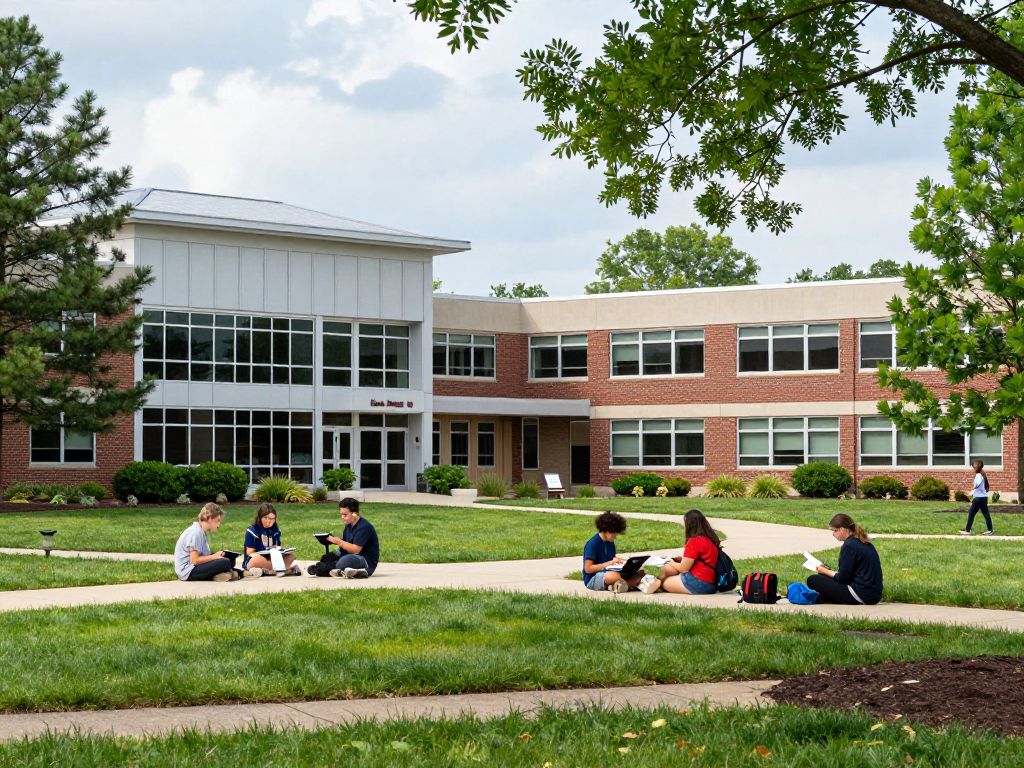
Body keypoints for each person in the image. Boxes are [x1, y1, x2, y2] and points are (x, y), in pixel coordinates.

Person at [806, 513, 883, 605]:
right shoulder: (862, 542)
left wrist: (824, 571)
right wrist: (828, 571)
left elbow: (843, 579)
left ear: (842, 529)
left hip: (861, 595)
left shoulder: (849, 546)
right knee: (825, 577)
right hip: (874, 595)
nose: (833, 534)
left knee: (813, 579)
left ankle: (825, 597)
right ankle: (826, 597)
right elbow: (850, 574)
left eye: (834, 530)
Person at [641, 508, 719, 595]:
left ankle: (649, 584)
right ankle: (651, 583)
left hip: (699, 583)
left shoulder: (695, 541)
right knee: (668, 570)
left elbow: (684, 568)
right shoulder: (709, 539)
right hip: (711, 582)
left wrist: (669, 561)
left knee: (664, 582)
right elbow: (698, 561)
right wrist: (679, 560)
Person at [582, 511, 645, 594]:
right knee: (614, 576)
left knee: (641, 572)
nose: (616, 536)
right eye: (614, 533)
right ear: (606, 530)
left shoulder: (610, 543)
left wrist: (626, 562)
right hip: (593, 578)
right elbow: (588, 569)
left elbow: (612, 558)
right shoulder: (593, 544)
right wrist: (610, 563)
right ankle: (632, 584)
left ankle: (619, 585)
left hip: (610, 572)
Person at [174, 502, 238, 582]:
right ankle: (222, 575)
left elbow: (204, 555)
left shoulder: (201, 531)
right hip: (188, 571)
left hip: (195, 567)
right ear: (210, 518)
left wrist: (218, 554)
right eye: (218, 520)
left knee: (229, 559)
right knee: (225, 562)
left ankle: (223, 574)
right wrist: (214, 556)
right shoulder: (195, 533)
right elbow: (194, 560)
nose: (219, 524)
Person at [325, 497, 379, 578]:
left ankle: (359, 571)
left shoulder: (364, 527)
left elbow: (356, 550)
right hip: (351, 556)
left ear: (355, 514)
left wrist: (340, 542)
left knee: (344, 561)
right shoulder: (348, 526)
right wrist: (334, 543)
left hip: (365, 560)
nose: (342, 517)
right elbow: (345, 546)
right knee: (327, 558)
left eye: (345, 515)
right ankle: (344, 570)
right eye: (341, 514)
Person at [242, 503, 301, 576]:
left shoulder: (276, 531)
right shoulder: (252, 531)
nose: (269, 521)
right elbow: (250, 552)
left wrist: (281, 551)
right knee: (257, 559)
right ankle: (284, 570)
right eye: (266, 518)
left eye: (272, 519)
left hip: (273, 558)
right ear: (260, 517)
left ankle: (266, 571)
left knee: (291, 556)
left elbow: (278, 546)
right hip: (258, 558)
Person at [960, 459, 994, 536]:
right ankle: (990, 530)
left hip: (978, 498)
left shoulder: (979, 475)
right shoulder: (982, 474)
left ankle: (967, 530)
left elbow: (977, 485)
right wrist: (971, 492)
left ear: (977, 467)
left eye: (973, 467)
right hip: (983, 497)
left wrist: (970, 491)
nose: (973, 469)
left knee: (972, 513)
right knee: (985, 513)